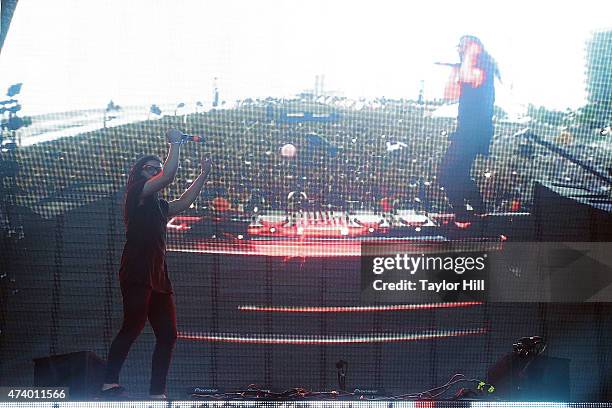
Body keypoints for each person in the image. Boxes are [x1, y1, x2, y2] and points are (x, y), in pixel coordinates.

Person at [101, 128, 212, 399]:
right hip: (138, 269)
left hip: (158, 274)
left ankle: (157, 393)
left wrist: (203, 174)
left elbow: (184, 202)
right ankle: (108, 384)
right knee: (133, 325)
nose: (155, 172)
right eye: (150, 169)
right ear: (139, 174)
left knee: (168, 334)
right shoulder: (135, 194)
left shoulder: (159, 206)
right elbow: (169, 175)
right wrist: (174, 144)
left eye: (156, 168)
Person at [438, 35, 500, 227]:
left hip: (474, 133)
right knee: (460, 173)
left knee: (446, 173)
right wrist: (454, 70)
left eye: (466, 47)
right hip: (467, 131)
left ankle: (462, 215)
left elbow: (467, 77)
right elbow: (448, 95)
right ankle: (480, 211)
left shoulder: (482, 71)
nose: (461, 49)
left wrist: (467, 56)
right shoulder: (467, 71)